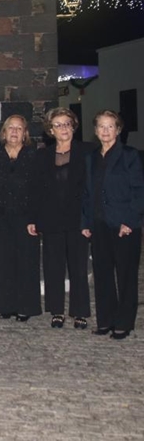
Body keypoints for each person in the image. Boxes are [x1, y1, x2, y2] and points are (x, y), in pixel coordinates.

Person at [81, 110, 144, 340]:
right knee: (102, 274)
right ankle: (105, 320)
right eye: (101, 126)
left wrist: (130, 221)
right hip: (99, 224)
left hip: (124, 225)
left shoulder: (130, 156)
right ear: (95, 130)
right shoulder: (91, 158)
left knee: (126, 276)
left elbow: (139, 191)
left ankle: (124, 323)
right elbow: (87, 193)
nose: (105, 130)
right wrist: (86, 221)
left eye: (110, 126)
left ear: (118, 130)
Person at [28, 108, 92, 329]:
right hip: (51, 219)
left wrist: (90, 218)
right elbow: (35, 190)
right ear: (51, 130)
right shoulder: (42, 156)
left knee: (78, 267)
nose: (63, 128)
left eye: (67, 124)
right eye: (58, 125)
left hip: (78, 218)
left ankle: (80, 312)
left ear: (73, 126)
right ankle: (56, 310)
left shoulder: (87, 152)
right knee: (53, 267)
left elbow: (91, 188)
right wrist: (33, 219)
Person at [0, 116, 40, 321]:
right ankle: (6, 305)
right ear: (3, 133)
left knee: (27, 261)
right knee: (3, 261)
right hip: (0, 216)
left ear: (25, 134)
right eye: (10, 128)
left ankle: (26, 306)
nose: (14, 131)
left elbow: (39, 190)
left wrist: (35, 218)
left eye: (19, 128)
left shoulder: (33, 155)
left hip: (26, 217)